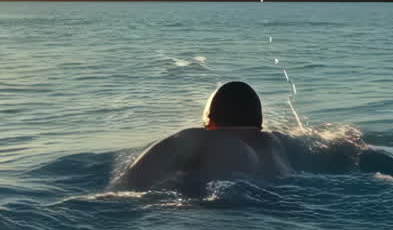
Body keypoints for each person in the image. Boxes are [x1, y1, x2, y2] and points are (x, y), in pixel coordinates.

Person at [116, 81, 293, 191]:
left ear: (210, 122)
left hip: (212, 210)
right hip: (272, 203)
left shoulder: (198, 138)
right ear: (259, 124)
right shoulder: (277, 143)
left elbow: (131, 184)